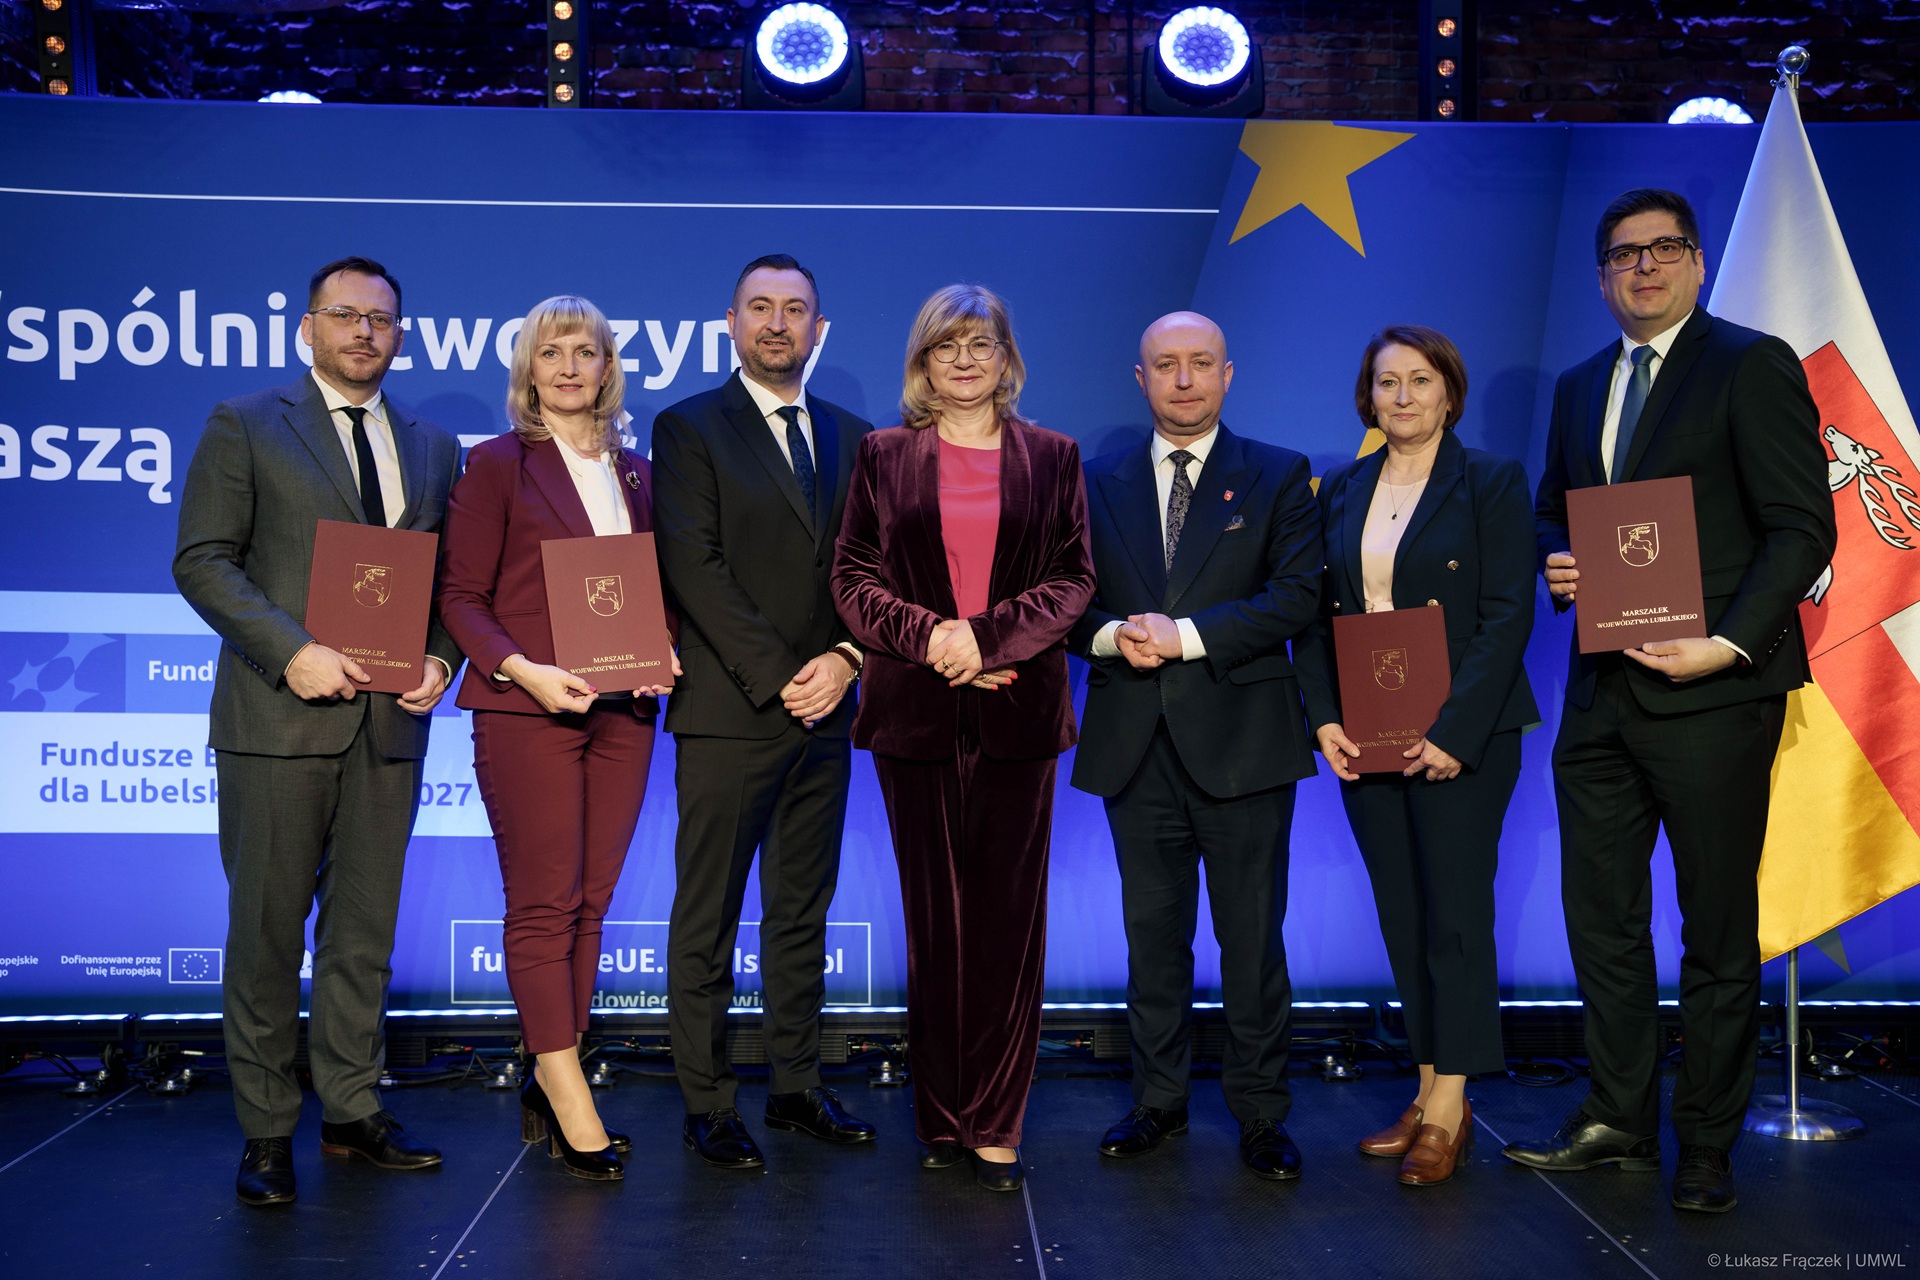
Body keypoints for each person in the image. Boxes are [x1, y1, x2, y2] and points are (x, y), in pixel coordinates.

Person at [1509, 189, 1836, 1213]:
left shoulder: (1750, 362)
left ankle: (1705, 1140)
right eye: (1624, 254)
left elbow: (1802, 527)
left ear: (1696, 263)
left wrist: (1727, 645)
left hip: (1714, 696)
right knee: (1602, 922)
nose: (1643, 267)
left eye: (1664, 249)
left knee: (1715, 929)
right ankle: (1618, 1117)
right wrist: (1556, 559)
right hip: (1601, 696)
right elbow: (1553, 508)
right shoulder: (1579, 385)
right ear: (1602, 275)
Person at [173, 256, 462, 1207]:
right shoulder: (247, 423)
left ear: (401, 335)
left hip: (388, 728)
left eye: (380, 318)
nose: (363, 331)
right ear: (309, 328)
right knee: (266, 935)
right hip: (277, 718)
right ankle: (266, 1131)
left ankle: (350, 1108)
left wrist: (440, 660)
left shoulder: (433, 446)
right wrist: (290, 651)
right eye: (344, 315)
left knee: (362, 936)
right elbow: (203, 561)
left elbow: (447, 581)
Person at [831, 285, 1094, 1192]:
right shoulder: (883, 455)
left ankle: (995, 1118)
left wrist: (984, 640)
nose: (965, 361)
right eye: (946, 346)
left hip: (1019, 712)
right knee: (934, 922)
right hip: (916, 712)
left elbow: (1073, 580)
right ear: (923, 363)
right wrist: (936, 642)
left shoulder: (1053, 456)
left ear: (1007, 357)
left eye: (981, 344)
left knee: (1007, 926)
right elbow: (853, 579)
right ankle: (943, 1114)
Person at [1068, 312, 1321, 1182]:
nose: (1184, 379)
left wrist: (1186, 637)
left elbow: (1297, 596)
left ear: (1227, 374)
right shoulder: (1090, 481)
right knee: (1153, 940)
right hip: (1135, 745)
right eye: (1166, 364)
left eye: (1201, 363)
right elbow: (1066, 601)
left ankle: (1261, 1112)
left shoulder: (1279, 474)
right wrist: (1114, 638)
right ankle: (1158, 1101)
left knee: (1253, 941)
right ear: (1140, 379)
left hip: (1245, 745)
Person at [437, 295, 676, 1182]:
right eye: (551, 353)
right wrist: (523, 671)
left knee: (590, 904)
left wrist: (663, 652)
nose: (569, 368)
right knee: (543, 904)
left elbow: (653, 593)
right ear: (527, 371)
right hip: (527, 710)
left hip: (624, 714)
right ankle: (567, 1088)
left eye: (585, 352)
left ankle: (554, 1068)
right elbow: (461, 596)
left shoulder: (639, 474)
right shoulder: (498, 464)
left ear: (608, 368)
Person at [1293, 325, 1539, 1186]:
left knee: (1455, 916)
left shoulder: (1492, 481)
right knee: (1402, 911)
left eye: (1421, 380)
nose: (1402, 396)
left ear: (1449, 394)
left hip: (1463, 738)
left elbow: (1508, 615)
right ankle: (1431, 1087)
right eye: (1387, 381)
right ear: (1368, 396)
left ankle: (1451, 1106)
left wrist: (1455, 734)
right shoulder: (1342, 487)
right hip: (1369, 735)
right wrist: (1324, 717)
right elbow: (1315, 615)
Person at [652, 254, 876, 1169]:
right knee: (707, 917)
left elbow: (873, 570)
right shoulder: (688, 427)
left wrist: (848, 659)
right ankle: (708, 1102)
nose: (777, 323)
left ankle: (795, 1087)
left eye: (795, 309)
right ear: (731, 324)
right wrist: (787, 675)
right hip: (730, 712)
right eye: (760, 307)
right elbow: (693, 566)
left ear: (819, 329)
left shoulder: (858, 437)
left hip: (829, 710)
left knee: (800, 915)